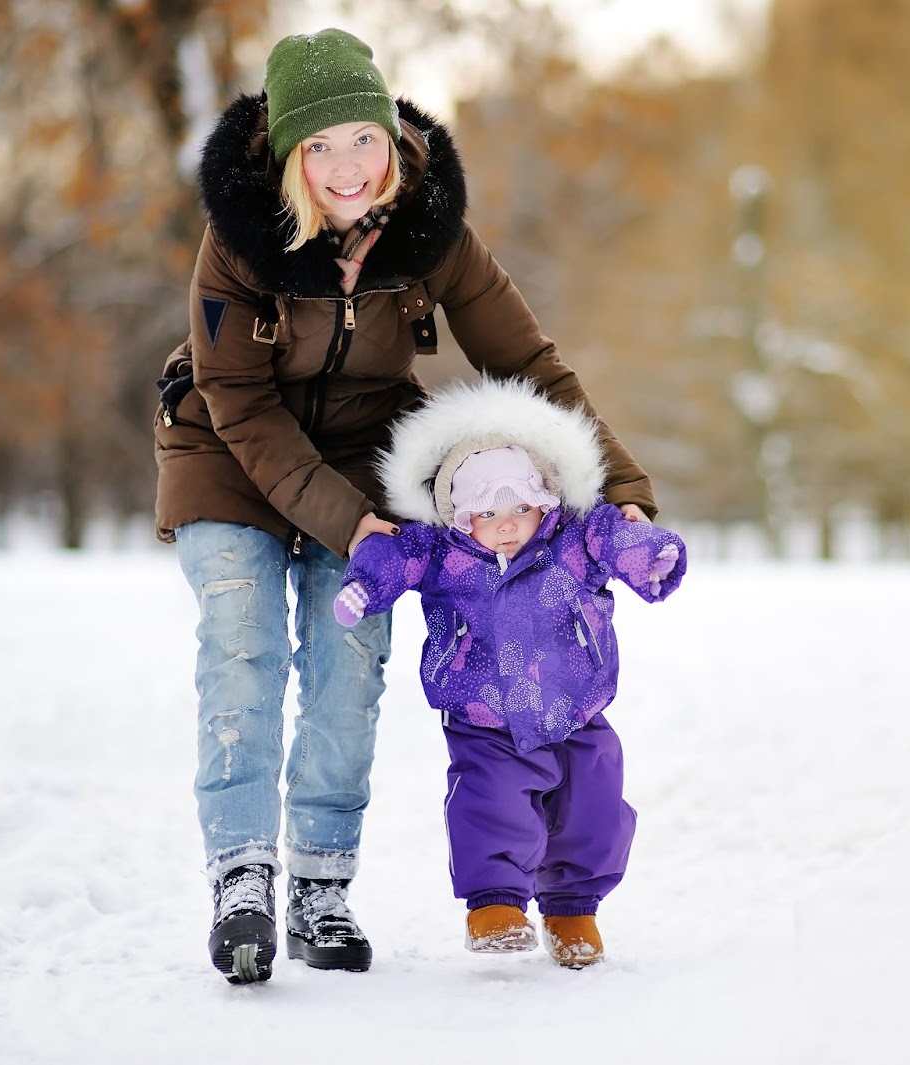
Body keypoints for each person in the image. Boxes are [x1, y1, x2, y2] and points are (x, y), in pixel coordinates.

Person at [153, 27, 662, 984]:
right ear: (287, 154)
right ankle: (243, 874)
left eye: (364, 139)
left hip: (366, 458)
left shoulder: (431, 232)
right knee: (244, 636)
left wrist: (619, 487)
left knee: (350, 657)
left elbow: (530, 362)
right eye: (320, 146)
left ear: (392, 137)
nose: (348, 167)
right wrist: (349, 525)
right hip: (226, 452)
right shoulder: (237, 244)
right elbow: (243, 403)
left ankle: (319, 884)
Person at [329, 377, 686, 968]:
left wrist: (650, 555)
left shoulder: (574, 538)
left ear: (544, 500)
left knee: (592, 810)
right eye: (487, 512)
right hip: (484, 711)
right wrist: (365, 586)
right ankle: (496, 906)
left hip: (577, 707)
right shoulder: (441, 550)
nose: (506, 525)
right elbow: (393, 555)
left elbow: (617, 536)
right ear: (455, 510)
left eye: (521, 508)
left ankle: (573, 911)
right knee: (492, 804)